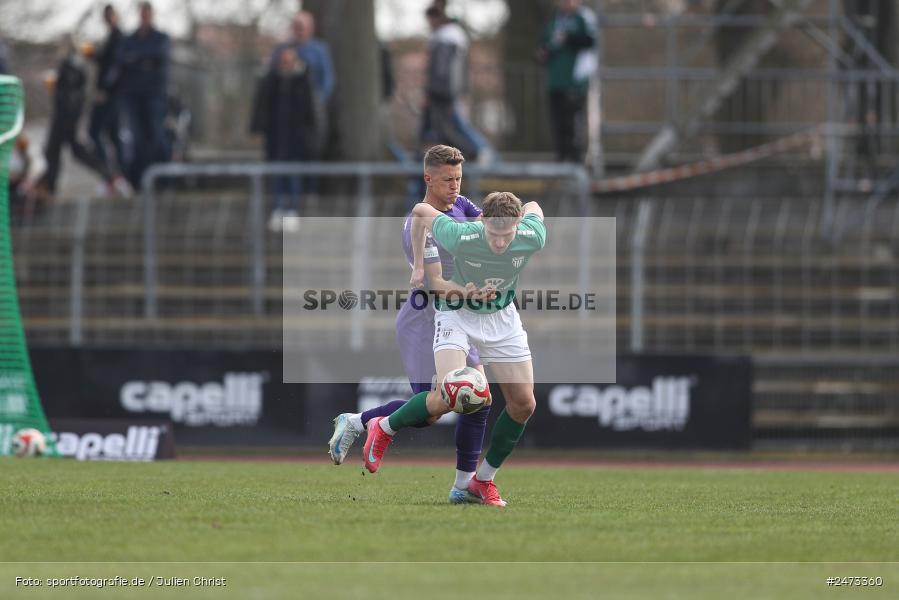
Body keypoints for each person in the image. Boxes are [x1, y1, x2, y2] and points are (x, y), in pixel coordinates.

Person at [328, 145, 497, 504]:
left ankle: (464, 487)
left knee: (479, 398)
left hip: (461, 316)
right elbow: (436, 286)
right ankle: (360, 422)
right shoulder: (418, 227)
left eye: (458, 178)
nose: (455, 186)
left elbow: (485, 225)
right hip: (427, 318)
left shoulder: (460, 204)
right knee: (435, 407)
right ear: (427, 179)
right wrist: (472, 289)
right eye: (448, 180)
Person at [362, 191, 546, 507]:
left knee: (524, 404)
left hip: (502, 318)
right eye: (493, 233)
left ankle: (482, 481)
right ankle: (385, 426)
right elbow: (420, 211)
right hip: (457, 313)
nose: (500, 243)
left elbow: (534, 206)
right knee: (452, 395)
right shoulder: (462, 235)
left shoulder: (532, 235)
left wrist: (527, 209)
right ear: (482, 222)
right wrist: (418, 266)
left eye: (507, 235)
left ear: (518, 225)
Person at [36, 37, 115, 197]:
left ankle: (49, 185)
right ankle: (107, 175)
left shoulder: (70, 65)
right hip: (67, 114)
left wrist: (66, 115)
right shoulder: (72, 65)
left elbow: (70, 94)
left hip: (65, 115)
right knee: (67, 150)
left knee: (58, 149)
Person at [251, 47, 318, 233]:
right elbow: (262, 106)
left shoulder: (303, 82)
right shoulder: (272, 80)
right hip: (276, 139)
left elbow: (310, 113)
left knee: (293, 177)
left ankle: (292, 210)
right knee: (277, 177)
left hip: (295, 140)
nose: (286, 65)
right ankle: (277, 209)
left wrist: (309, 136)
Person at [420, 3, 493, 164]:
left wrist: (431, 91)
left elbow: (441, 71)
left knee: (449, 128)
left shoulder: (444, 41)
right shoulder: (452, 39)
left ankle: (477, 152)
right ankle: (476, 152)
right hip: (449, 91)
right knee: (450, 127)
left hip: (443, 92)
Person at [117, 1, 170, 189]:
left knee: (156, 136)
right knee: (137, 138)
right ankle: (139, 180)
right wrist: (144, 61)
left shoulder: (161, 38)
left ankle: (163, 179)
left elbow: (159, 58)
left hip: (154, 95)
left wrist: (136, 60)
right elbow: (123, 61)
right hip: (133, 96)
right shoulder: (130, 39)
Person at [537, 0, 597, 164]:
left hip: (574, 81)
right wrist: (542, 53)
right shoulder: (555, 19)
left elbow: (591, 41)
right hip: (555, 81)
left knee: (573, 123)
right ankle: (561, 158)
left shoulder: (584, 17)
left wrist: (569, 39)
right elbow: (545, 43)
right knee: (558, 122)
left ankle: (575, 160)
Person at [88, 4, 130, 196]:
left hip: (111, 95)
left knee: (96, 131)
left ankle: (114, 177)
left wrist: (104, 89)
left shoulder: (118, 36)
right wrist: (93, 55)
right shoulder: (111, 37)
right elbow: (106, 60)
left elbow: (116, 66)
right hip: (111, 94)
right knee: (112, 135)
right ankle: (116, 178)